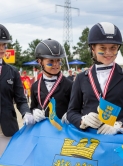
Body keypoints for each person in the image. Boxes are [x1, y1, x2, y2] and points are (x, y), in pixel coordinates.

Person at [67, 22, 123, 135]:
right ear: (93, 48)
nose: (108, 53)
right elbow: (72, 112)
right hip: (89, 138)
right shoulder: (81, 78)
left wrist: (120, 125)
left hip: (117, 139)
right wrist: (82, 120)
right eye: (102, 48)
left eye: (113, 48)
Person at [0, 24, 34, 156]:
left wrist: (26, 113)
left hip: (7, 130)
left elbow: (20, 99)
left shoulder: (13, 72)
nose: (2, 49)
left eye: (5, 45)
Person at [30, 39, 73, 122]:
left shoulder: (70, 85)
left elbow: (77, 108)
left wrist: (70, 115)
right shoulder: (35, 86)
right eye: (51, 61)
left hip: (62, 130)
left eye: (58, 61)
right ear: (40, 62)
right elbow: (33, 107)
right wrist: (33, 112)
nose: (56, 64)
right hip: (43, 130)